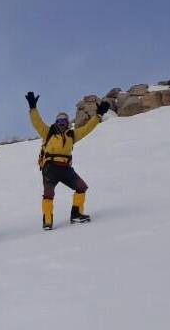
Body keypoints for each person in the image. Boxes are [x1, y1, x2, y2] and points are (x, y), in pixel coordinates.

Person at [26, 92, 109, 229]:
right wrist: (33, 108)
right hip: (50, 168)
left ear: (67, 123)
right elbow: (37, 123)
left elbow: (87, 128)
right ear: (56, 122)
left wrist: (98, 115)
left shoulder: (72, 135)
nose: (62, 123)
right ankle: (47, 221)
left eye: (64, 121)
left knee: (81, 187)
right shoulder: (48, 132)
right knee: (48, 194)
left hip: (65, 168)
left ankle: (76, 215)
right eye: (59, 121)